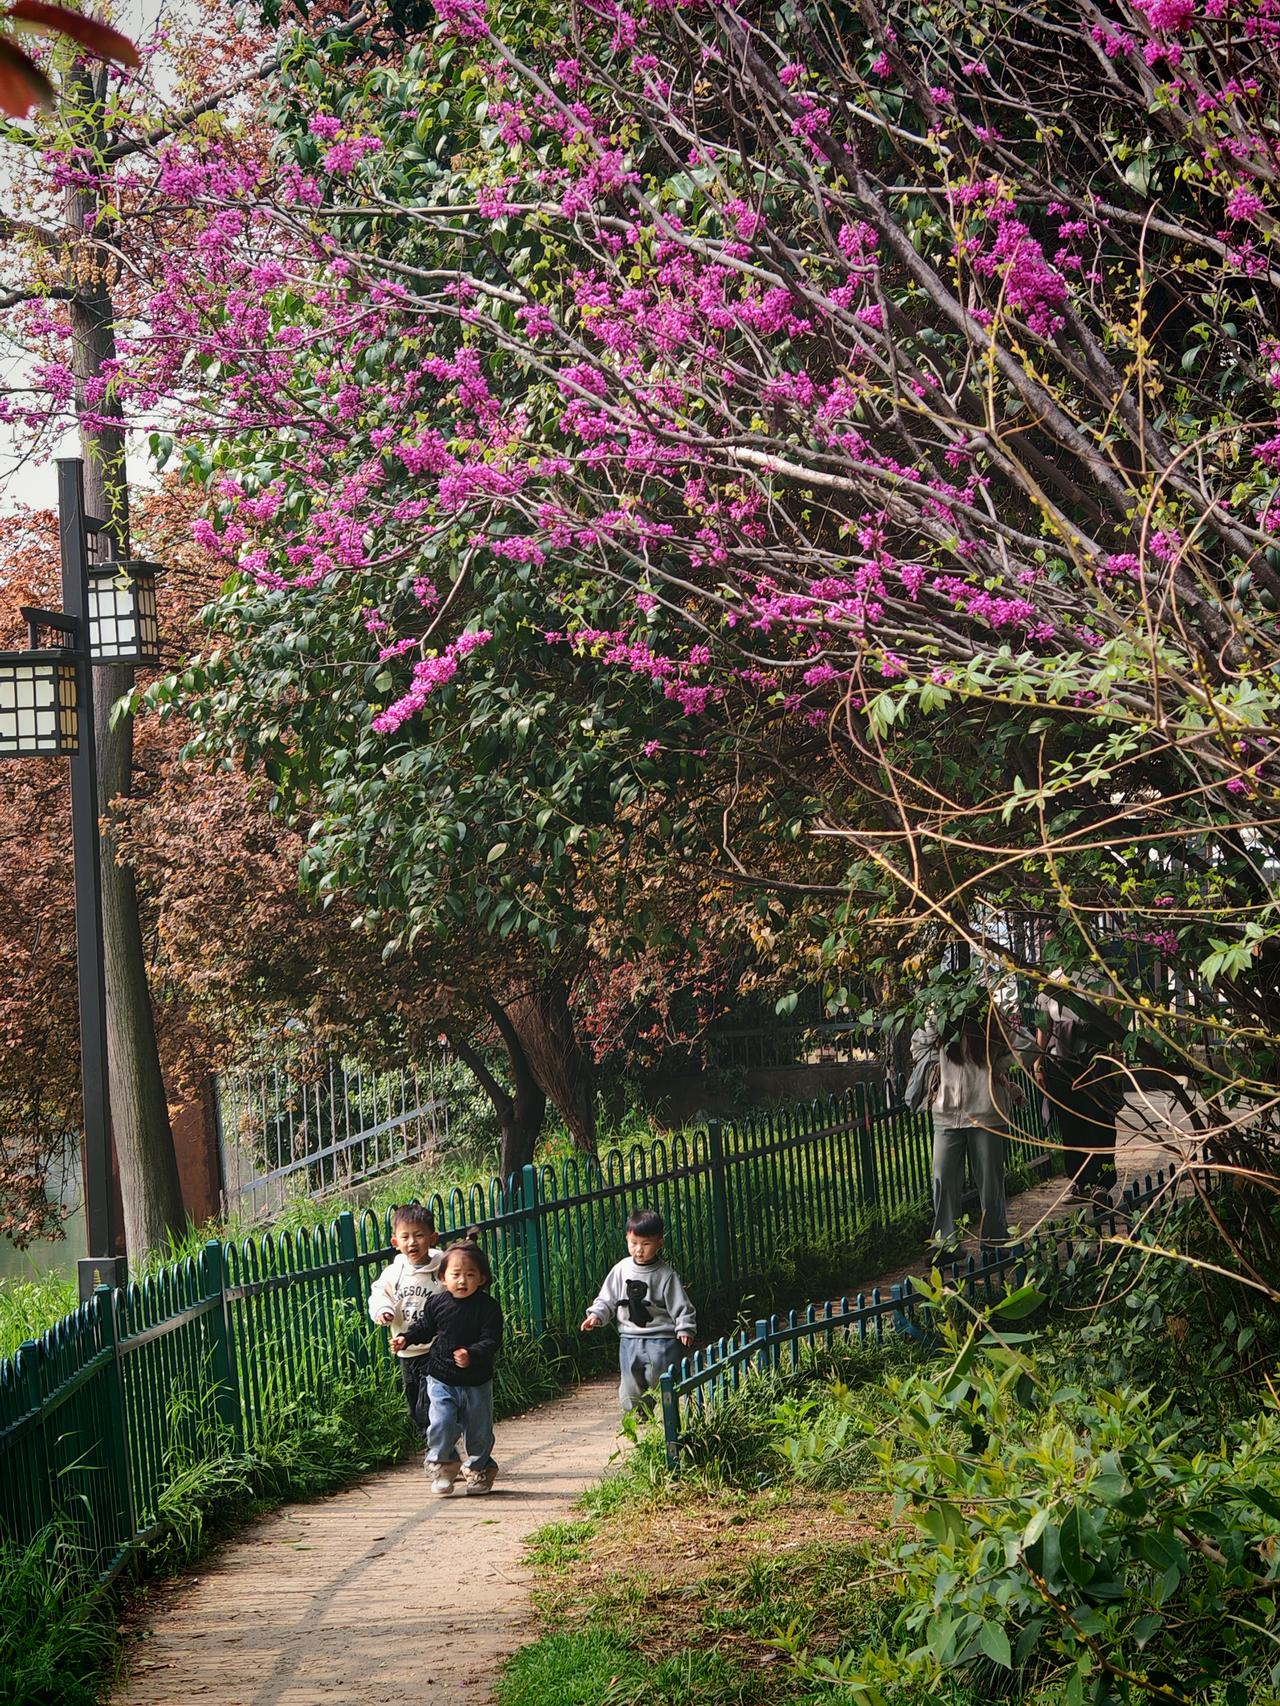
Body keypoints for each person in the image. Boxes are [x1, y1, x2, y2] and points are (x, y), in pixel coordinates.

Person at [910, 1005, 1024, 1258]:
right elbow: (917, 1044)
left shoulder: (990, 1014)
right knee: (943, 1178)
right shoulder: (940, 1014)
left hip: (986, 1111)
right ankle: (947, 1244)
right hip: (947, 1113)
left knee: (990, 1182)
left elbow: (1025, 1045)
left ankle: (995, 1241)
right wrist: (934, 1068)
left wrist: (998, 1067)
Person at [392, 1238, 503, 1495]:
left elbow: (492, 1340)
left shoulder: (488, 1308)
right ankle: (444, 1467)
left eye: (470, 1274)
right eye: (456, 1274)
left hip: (476, 1381)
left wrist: (472, 1353)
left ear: (483, 1278)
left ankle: (479, 1471)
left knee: (478, 1432)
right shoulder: (437, 1303)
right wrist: (405, 1338)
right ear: (443, 1277)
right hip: (441, 1377)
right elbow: (424, 1328)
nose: (462, 1280)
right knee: (440, 1423)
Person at [581, 1207, 696, 1415]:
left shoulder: (665, 1275)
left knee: (658, 1376)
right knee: (630, 1383)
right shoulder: (621, 1269)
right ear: (627, 1239)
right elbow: (608, 1298)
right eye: (633, 1243)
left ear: (659, 1243)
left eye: (646, 1244)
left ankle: (668, 1412)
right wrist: (596, 1315)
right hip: (629, 1338)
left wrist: (685, 1328)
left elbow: (681, 1304)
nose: (639, 1250)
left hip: (662, 1338)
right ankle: (638, 1415)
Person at [1034, 981, 1123, 1206]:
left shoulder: (1097, 977)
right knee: (1070, 1120)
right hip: (1061, 1058)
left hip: (1095, 1055)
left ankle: (1102, 1182)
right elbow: (1043, 1025)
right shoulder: (1049, 979)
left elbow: (1114, 1017)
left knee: (1099, 1117)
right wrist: (1038, 1061)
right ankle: (1080, 1181)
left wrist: (1117, 1056)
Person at [367, 1204, 445, 1448]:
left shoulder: (443, 1268)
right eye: (405, 1237)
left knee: (429, 1406)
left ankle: (439, 1454)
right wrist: (384, 1310)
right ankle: (442, 1451)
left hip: (436, 1350)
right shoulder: (394, 1272)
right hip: (406, 1351)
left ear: (433, 1238)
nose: (412, 1242)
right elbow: (379, 1293)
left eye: (419, 1235)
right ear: (395, 1242)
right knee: (415, 1410)